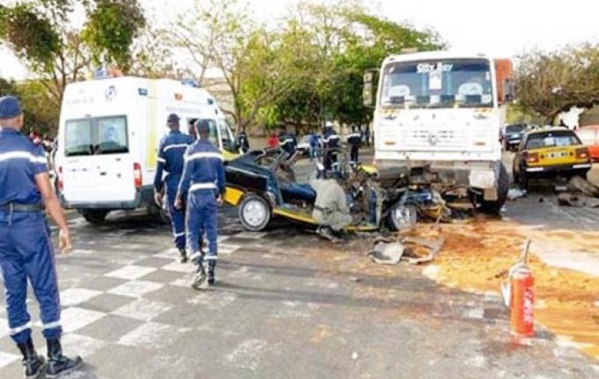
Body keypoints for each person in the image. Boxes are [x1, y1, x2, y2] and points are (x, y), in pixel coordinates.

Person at [0, 96, 82, 378]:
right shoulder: (30, 149)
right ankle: (55, 356)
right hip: (30, 226)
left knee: (14, 293)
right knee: (45, 288)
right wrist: (64, 227)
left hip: (3, 229)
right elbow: (47, 194)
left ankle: (29, 360)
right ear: (20, 118)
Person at [176, 119, 225, 289]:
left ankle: (198, 268)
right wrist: (221, 193)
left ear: (196, 130)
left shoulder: (191, 150)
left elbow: (186, 176)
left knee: (192, 232)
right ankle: (211, 270)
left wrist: (178, 196)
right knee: (211, 232)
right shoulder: (217, 152)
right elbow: (221, 177)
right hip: (210, 195)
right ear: (209, 131)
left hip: (195, 195)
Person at [154, 113, 195, 263]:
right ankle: (195, 247)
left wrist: (157, 189)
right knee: (191, 216)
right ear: (178, 124)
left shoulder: (164, 143)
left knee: (177, 217)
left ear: (168, 125)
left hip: (172, 184)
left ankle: (182, 250)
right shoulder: (188, 140)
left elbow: (159, 170)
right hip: (188, 183)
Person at [309, 164, 353, 243]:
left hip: (315, 214)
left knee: (332, 212)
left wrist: (316, 171)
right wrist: (349, 209)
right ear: (340, 181)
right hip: (324, 216)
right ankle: (328, 230)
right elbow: (343, 209)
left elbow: (311, 181)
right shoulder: (338, 189)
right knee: (348, 218)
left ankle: (323, 226)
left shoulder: (322, 183)